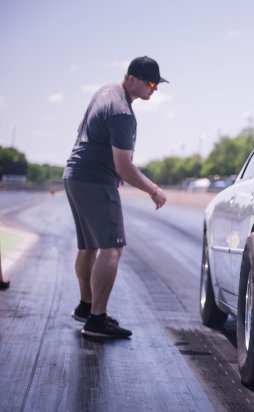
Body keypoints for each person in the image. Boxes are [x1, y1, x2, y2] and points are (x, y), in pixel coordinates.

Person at [63, 56, 168, 338]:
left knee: (88, 247)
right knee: (112, 248)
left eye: (157, 85)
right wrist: (153, 189)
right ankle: (97, 320)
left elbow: (86, 132)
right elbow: (125, 166)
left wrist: (113, 168)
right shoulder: (122, 111)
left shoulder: (106, 91)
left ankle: (86, 307)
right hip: (95, 181)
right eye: (150, 83)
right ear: (131, 78)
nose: (154, 89)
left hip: (75, 175)